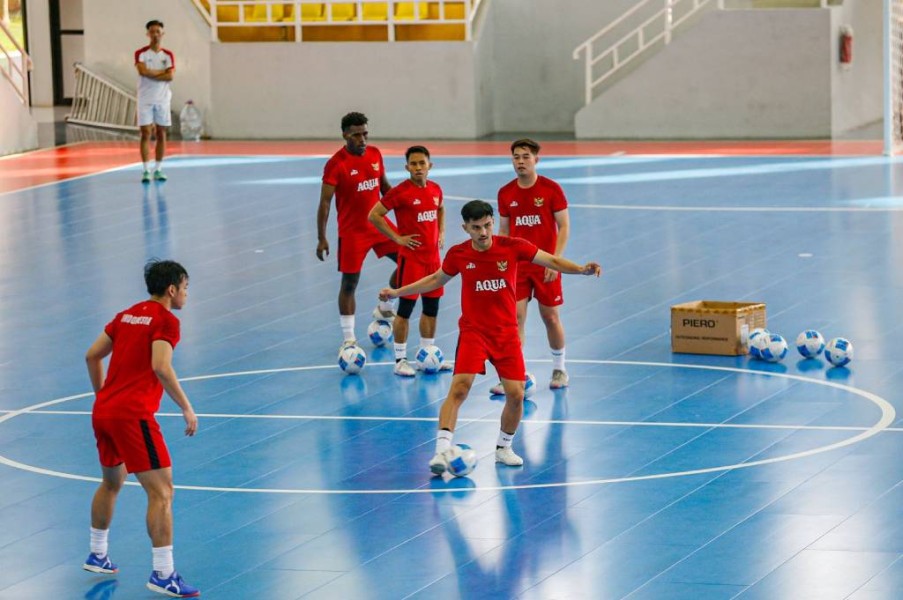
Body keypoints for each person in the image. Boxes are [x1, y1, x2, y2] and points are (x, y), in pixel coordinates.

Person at [379, 200, 601, 473]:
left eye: (487, 225)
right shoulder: (459, 254)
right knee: (459, 389)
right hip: (474, 332)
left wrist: (580, 269)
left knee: (516, 395)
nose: (483, 232)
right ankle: (441, 452)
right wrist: (397, 292)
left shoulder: (513, 246)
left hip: (506, 334)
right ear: (466, 228)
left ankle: (503, 448)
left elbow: (552, 260)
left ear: (493, 222)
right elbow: (435, 279)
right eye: (476, 227)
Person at [83, 259, 200, 598]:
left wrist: (104, 397)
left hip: (104, 413)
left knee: (111, 483)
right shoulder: (166, 321)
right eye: (186, 288)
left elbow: (92, 356)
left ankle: (97, 553)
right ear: (172, 289)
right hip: (133, 416)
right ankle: (164, 574)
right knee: (162, 493)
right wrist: (186, 406)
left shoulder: (126, 315)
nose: (187, 294)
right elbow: (161, 366)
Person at [489, 138, 571, 395]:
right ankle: (512, 376)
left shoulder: (551, 189)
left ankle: (559, 368)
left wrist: (555, 261)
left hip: (545, 264)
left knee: (550, 317)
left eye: (526, 156)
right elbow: (503, 231)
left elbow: (564, 227)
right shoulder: (505, 193)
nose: (521, 161)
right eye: (516, 157)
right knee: (515, 319)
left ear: (536, 159)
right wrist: (500, 263)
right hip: (518, 267)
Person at [316, 111, 400, 349]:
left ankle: (385, 307)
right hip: (352, 232)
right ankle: (349, 339)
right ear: (345, 135)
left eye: (365, 134)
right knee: (350, 283)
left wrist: (406, 212)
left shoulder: (374, 154)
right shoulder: (336, 164)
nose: (362, 139)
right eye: (356, 135)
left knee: (409, 260)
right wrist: (322, 237)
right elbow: (325, 203)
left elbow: (385, 187)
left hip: (379, 225)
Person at [368, 145, 452, 376]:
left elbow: (441, 208)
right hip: (411, 261)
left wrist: (441, 231)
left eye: (421, 163)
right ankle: (400, 360)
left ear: (429, 165)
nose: (418, 167)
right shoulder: (400, 192)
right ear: (407, 167)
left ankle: (428, 353)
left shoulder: (435, 189)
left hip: (433, 261)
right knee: (405, 310)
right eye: (413, 164)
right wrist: (397, 238)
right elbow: (374, 215)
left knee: (431, 309)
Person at [135, 20, 175, 184]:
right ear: (148, 34)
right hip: (145, 99)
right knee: (146, 132)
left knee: (161, 133)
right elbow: (142, 72)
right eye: (152, 31)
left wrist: (151, 72)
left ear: (162, 34)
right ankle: (146, 170)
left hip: (163, 99)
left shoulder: (168, 55)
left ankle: (158, 169)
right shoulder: (141, 53)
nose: (155, 34)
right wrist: (161, 72)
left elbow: (170, 76)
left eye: (158, 31)